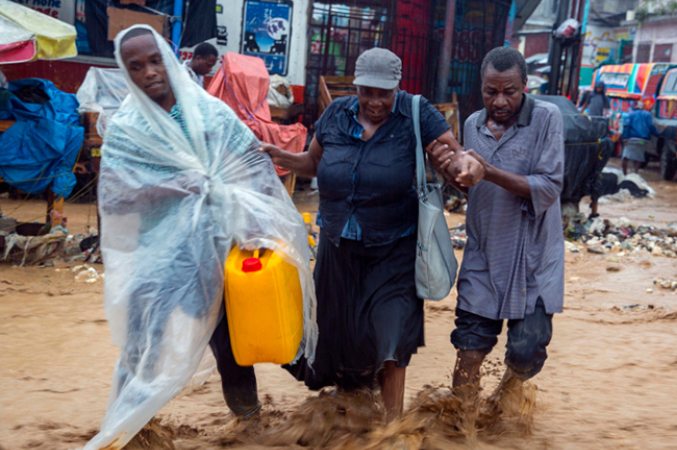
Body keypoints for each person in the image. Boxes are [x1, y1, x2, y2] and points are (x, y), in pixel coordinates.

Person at [86, 26, 316, 449]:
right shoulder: (125, 130)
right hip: (157, 261)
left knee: (236, 344)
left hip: (219, 248)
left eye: (156, 61)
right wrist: (175, 185)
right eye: (136, 67)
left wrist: (258, 227)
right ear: (126, 72)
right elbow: (118, 198)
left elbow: (252, 169)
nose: (150, 73)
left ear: (172, 60)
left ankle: (260, 421)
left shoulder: (211, 114)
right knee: (142, 350)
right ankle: (128, 432)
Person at [261, 48, 484, 418]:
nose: (376, 101)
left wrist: (464, 166)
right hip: (337, 248)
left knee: (391, 335)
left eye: (385, 93)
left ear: (398, 88)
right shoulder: (335, 114)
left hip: (394, 248)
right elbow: (314, 164)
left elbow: (455, 154)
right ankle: (352, 412)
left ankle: (392, 429)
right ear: (356, 85)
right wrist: (279, 155)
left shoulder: (416, 112)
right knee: (339, 339)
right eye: (368, 92)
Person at [430, 47, 564, 413]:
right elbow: (470, 186)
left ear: (525, 85)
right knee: (468, 347)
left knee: (526, 352)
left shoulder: (547, 118)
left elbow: (549, 188)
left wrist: (487, 170)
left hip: (534, 260)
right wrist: (448, 172)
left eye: (509, 92)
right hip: (485, 257)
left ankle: (508, 394)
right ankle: (463, 427)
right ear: (481, 88)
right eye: (491, 91)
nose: (500, 101)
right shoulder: (472, 125)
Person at [621, 101, 658, 175]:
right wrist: (657, 134)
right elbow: (651, 126)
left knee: (625, 157)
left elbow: (626, 126)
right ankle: (635, 173)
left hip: (631, 139)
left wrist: (624, 138)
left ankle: (624, 174)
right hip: (642, 140)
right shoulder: (647, 114)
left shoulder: (631, 114)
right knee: (639, 157)